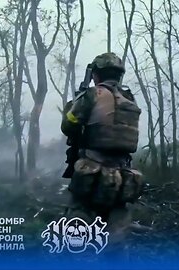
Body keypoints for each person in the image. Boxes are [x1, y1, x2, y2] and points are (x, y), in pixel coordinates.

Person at [61, 52, 143, 256]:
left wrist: (72, 104)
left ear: (96, 75)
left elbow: (68, 126)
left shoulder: (92, 94)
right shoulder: (129, 99)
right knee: (117, 236)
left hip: (91, 173)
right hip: (123, 177)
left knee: (78, 230)